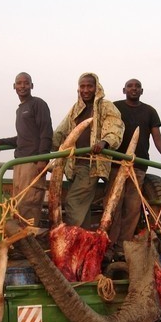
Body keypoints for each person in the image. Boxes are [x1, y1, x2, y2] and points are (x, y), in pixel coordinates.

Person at [105, 78, 161, 261]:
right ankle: (108, 245)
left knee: (133, 207)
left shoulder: (149, 111)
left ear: (141, 91)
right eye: (130, 86)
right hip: (116, 164)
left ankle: (123, 246)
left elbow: (157, 136)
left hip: (139, 165)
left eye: (137, 87)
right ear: (124, 90)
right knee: (113, 205)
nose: (133, 89)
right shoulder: (115, 107)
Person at [52, 72, 124, 229]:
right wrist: (45, 147)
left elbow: (114, 127)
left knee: (73, 202)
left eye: (89, 86)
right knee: (82, 207)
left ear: (96, 87)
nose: (85, 90)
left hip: (91, 164)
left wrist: (105, 142)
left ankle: (72, 241)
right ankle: (84, 245)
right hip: (72, 165)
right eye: (82, 86)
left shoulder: (105, 106)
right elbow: (61, 131)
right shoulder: (76, 109)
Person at [0, 72, 53, 227]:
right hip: (19, 162)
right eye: (19, 83)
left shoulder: (38, 104)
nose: (22, 86)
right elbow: (23, 137)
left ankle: (30, 244)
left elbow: (46, 132)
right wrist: (1, 141)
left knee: (29, 203)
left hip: (32, 162)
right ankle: (20, 244)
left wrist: (42, 159)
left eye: (26, 83)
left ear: (32, 86)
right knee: (18, 204)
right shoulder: (20, 109)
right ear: (14, 86)